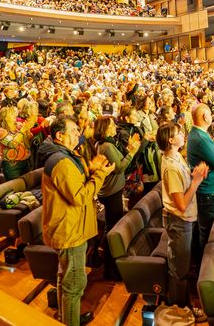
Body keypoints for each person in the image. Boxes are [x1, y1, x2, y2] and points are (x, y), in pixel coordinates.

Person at [42, 116, 115, 326]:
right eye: (73, 131)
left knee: (64, 277)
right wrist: (100, 175)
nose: (78, 134)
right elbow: (80, 196)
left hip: (71, 226)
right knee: (74, 284)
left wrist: (92, 169)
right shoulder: (61, 162)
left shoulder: (66, 155)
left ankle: (66, 316)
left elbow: (75, 182)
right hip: (70, 230)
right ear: (59, 135)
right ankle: (70, 320)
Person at [157, 122, 208, 317]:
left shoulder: (176, 156)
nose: (182, 135)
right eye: (179, 133)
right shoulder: (170, 167)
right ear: (171, 140)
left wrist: (194, 175)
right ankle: (180, 310)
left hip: (183, 220)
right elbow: (181, 204)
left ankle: (182, 305)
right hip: (179, 221)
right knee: (179, 270)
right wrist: (196, 181)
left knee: (182, 266)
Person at [93, 116, 140, 280]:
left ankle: (109, 263)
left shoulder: (106, 144)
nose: (115, 127)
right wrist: (132, 152)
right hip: (111, 192)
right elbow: (119, 167)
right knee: (112, 228)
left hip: (111, 190)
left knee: (111, 226)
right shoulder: (106, 146)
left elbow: (119, 159)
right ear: (105, 129)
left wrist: (128, 149)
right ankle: (110, 267)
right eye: (112, 125)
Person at [186, 103, 214, 252]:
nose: (212, 116)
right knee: (207, 233)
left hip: (208, 191)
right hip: (207, 194)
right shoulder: (201, 138)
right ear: (205, 117)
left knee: (205, 230)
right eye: (210, 114)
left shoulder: (200, 134)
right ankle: (204, 262)